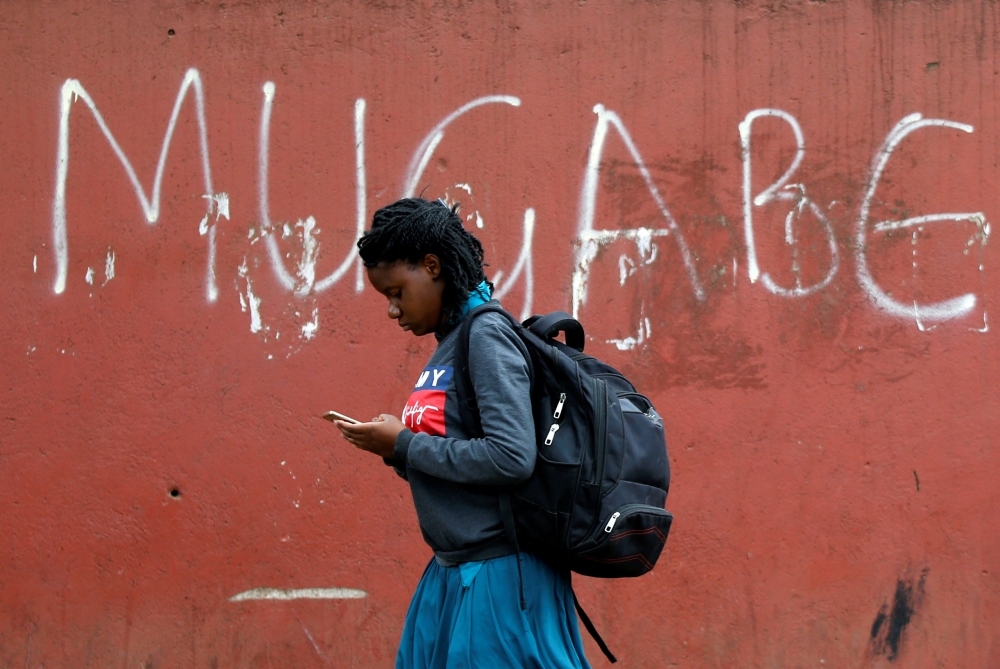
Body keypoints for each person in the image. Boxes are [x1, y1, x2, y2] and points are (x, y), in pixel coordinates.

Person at [335, 197, 591, 669]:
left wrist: (404, 444)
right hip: (455, 572)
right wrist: (395, 452)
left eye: (396, 291)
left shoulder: (486, 335)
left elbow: (512, 458)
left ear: (431, 266)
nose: (393, 310)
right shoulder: (452, 344)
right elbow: (456, 466)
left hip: (498, 578)